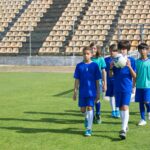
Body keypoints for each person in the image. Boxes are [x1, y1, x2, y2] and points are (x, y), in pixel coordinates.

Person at [109, 40, 136, 140]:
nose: (123, 50)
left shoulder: (132, 60)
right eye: (121, 48)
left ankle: (123, 130)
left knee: (125, 107)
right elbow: (111, 75)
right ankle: (125, 125)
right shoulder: (115, 60)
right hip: (117, 87)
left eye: (125, 49)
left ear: (128, 50)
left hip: (126, 87)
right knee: (120, 108)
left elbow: (135, 76)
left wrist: (129, 66)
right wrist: (111, 68)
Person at [73, 46, 101, 136]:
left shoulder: (95, 65)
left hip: (91, 92)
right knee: (82, 110)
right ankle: (86, 117)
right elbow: (77, 79)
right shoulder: (79, 66)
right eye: (84, 54)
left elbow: (97, 80)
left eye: (88, 54)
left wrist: (98, 92)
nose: (86, 55)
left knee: (90, 107)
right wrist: (75, 91)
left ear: (91, 55)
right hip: (82, 92)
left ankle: (89, 129)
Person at [90, 42, 107, 124]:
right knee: (91, 99)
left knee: (97, 99)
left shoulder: (100, 59)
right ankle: (92, 115)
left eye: (94, 48)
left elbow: (103, 71)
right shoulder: (87, 58)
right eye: (92, 48)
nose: (93, 50)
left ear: (97, 50)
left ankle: (98, 114)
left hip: (98, 82)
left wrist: (104, 83)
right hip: (89, 83)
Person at [135, 43, 150, 126]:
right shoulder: (137, 62)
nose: (142, 51)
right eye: (141, 49)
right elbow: (135, 75)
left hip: (148, 86)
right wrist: (133, 85)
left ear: (147, 50)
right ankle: (142, 119)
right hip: (139, 85)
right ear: (139, 51)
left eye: (144, 49)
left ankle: (149, 111)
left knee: (147, 102)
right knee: (141, 102)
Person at [105, 44, 120, 118]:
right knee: (111, 96)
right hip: (109, 81)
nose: (112, 52)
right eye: (111, 50)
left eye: (114, 51)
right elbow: (104, 70)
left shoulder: (119, 59)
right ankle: (113, 111)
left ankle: (117, 110)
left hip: (117, 81)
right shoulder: (106, 60)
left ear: (117, 51)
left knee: (116, 95)